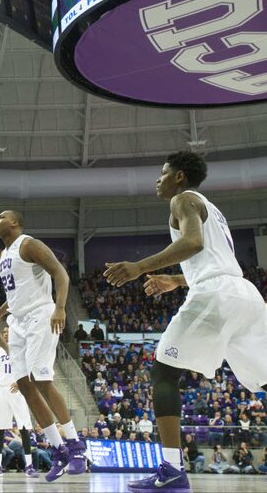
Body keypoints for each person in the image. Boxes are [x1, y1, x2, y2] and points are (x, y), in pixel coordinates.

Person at [103, 151, 267, 493]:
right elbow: (214, 260)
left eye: (163, 173)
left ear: (178, 176)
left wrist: (139, 267)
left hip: (219, 294)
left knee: (163, 372)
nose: (158, 180)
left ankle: (173, 470)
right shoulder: (211, 208)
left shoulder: (182, 199)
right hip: (246, 296)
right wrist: (177, 280)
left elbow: (194, 243)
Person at [0, 210, 86, 482]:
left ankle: (76, 445)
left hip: (41, 315)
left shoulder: (28, 244)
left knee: (41, 379)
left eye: (1, 217)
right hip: (17, 321)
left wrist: (61, 308)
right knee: (24, 384)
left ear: (15, 223)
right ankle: (59, 448)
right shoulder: (5, 254)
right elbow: (16, 293)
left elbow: (60, 274)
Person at [0, 327, 39, 478]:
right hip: (2, 389)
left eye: (8, 332)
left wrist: (21, 382)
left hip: (17, 390)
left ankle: (29, 466)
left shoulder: (21, 348)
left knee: (24, 427)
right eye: (3, 332)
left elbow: (30, 368)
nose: (5, 334)